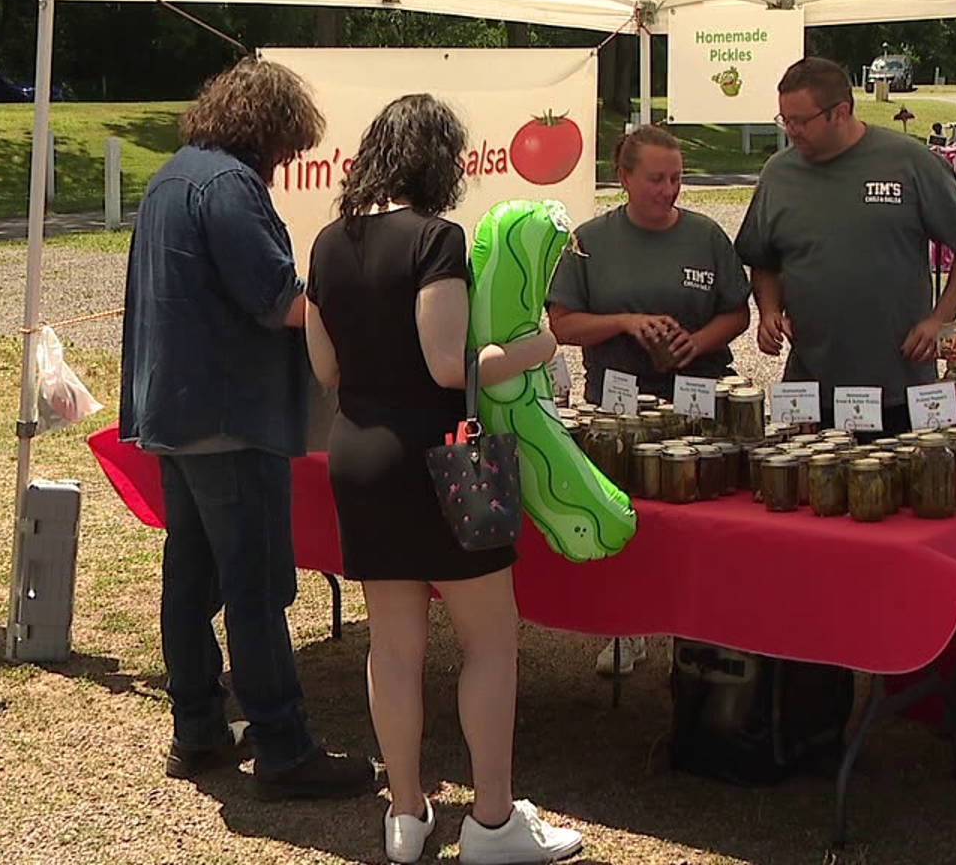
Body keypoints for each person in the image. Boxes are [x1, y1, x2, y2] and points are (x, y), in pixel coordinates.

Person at [306, 95, 582, 865]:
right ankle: (493, 821)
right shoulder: (436, 238)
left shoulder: (328, 243)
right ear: (439, 162)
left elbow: (325, 368)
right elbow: (448, 365)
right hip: (440, 458)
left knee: (392, 649)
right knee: (490, 643)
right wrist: (536, 348)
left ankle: (405, 812)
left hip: (356, 454)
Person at [120, 58, 375, 799]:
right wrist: (355, 304)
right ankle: (283, 746)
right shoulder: (229, 185)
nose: (290, 158)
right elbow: (275, 297)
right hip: (229, 414)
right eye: (289, 145)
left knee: (191, 574)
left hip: (175, 408)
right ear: (267, 130)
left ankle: (197, 728)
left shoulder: (173, 176)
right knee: (257, 583)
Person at [548, 124, 749, 676]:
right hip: (620, 402)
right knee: (624, 514)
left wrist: (697, 341)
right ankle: (625, 627)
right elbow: (562, 325)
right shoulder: (590, 240)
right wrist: (625, 322)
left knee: (702, 512)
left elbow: (738, 312)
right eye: (657, 179)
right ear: (625, 178)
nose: (669, 190)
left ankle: (702, 630)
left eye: (677, 178)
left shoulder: (706, 236)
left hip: (698, 396)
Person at [739, 58, 956, 434]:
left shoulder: (909, 162)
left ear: (840, 112)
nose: (790, 131)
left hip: (897, 382)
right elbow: (763, 257)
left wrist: (939, 321)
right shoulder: (779, 174)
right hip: (811, 387)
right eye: (783, 120)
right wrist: (770, 311)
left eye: (800, 121)